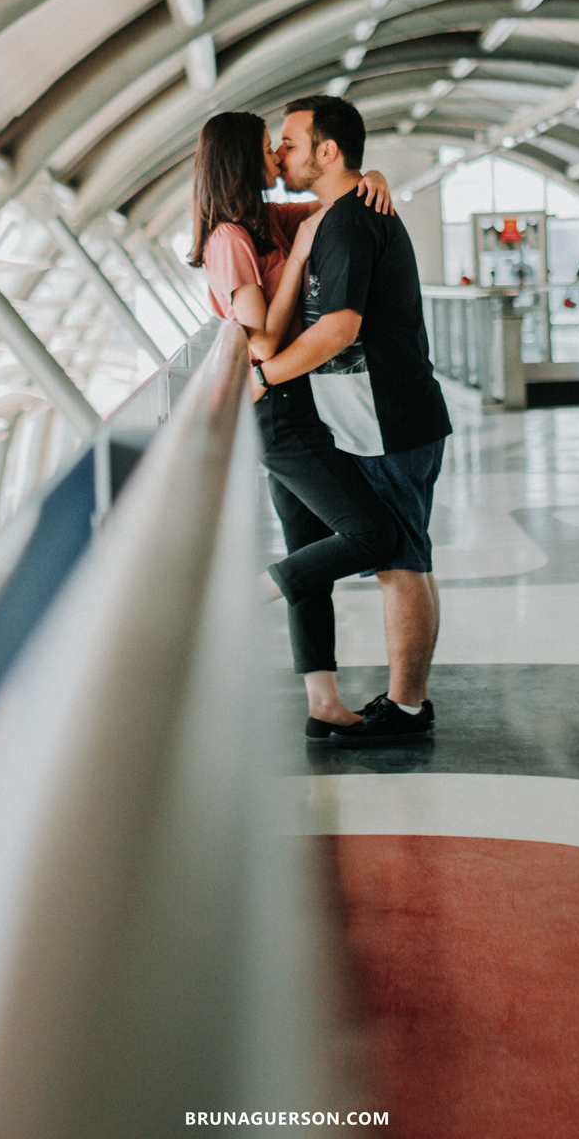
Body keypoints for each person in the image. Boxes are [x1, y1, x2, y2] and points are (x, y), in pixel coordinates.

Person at [191, 112, 403, 737]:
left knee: (311, 547)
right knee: (373, 535)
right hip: (275, 409)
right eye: (266, 147)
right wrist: (305, 249)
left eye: (281, 143)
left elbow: (331, 200)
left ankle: (323, 703)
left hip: (293, 402)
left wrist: (375, 176)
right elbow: (262, 341)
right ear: (238, 160)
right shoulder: (229, 238)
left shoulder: (267, 221)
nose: (277, 155)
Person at [249, 96, 451, 746]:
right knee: (402, 557)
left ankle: (409, 707)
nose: (281, 151)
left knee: (401, 560)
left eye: (290, 140)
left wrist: (262, 377)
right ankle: (407, 702)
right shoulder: (344, 211)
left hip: (389, 418)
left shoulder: (348, 222)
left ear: (325, 151)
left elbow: (340, 328)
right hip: (378, 417)